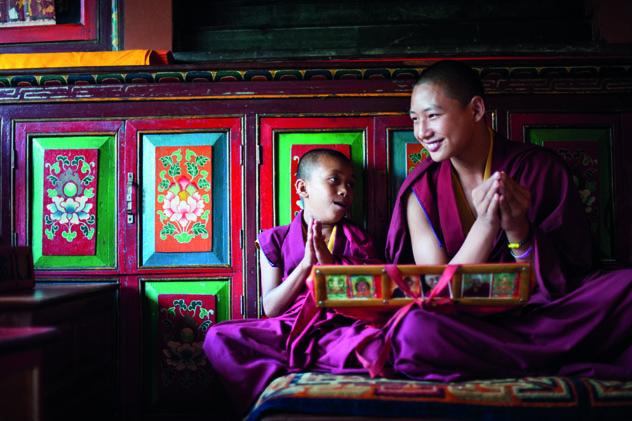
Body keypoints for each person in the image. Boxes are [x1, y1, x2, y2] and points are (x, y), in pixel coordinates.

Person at [385, 60, 632, 381]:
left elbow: (567, 278)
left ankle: (511, 361)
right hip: (470, 323)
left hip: (547, 314)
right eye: (415, 120)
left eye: (432, 116)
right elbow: (437, 293)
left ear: (475, 110)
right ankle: (558, 360)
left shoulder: (539, 168)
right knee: (414, 330)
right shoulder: (421, 190)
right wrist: (487, 227)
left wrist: (519, 232)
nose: (421, 132)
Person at [203, 148, 382, 417]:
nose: (345, 190)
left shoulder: (359, 239)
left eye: (351, 184)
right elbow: (271, 308)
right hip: (286, 331)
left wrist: (330, 266)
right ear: (303, 187)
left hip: (338, 330)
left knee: (382, 341)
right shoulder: (275, 240)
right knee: (218, 337)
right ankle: (277, 398)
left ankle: (295, 371)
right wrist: (306, 265)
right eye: (334, 180)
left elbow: (370, 301)